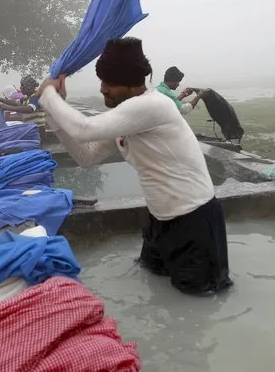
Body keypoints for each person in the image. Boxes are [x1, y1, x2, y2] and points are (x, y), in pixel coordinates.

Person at [37, 37, 232, 295]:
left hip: (194, 219)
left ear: (133, 84)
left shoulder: (153, 105)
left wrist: (49, 95)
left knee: (201, 302)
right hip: (159, 219)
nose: (103, 89)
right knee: (152, 284)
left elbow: (84, 129)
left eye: (112, 82)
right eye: (102, 81)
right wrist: (52, 112)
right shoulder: (129, 114)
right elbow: (87, 157)